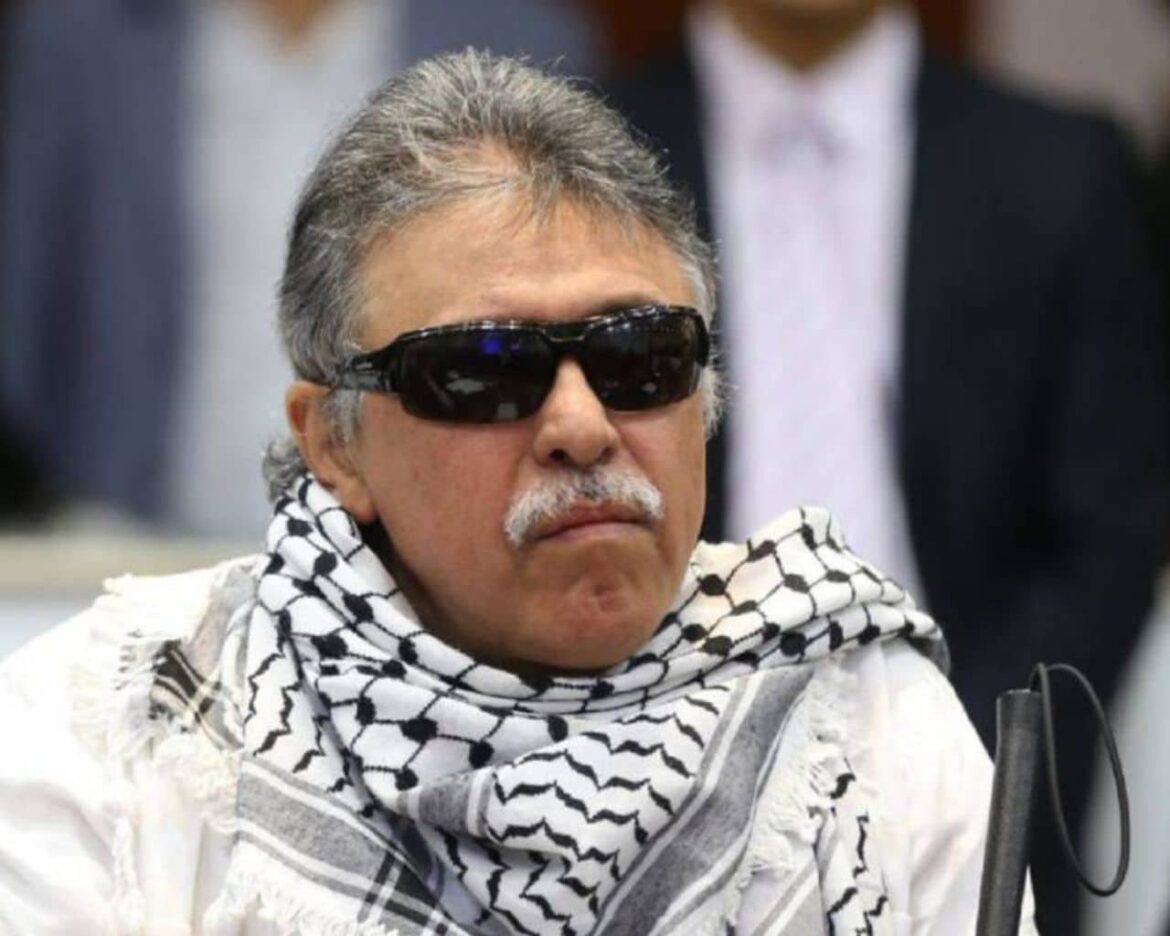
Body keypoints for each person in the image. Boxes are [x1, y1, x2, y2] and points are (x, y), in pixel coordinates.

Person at [0, 51, 1034, 934]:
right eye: (485, 370)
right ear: (334, 444)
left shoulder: (863, 717)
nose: (582, 425)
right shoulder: (110, 737)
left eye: (638, 356)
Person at [606, 2, 1169, 930]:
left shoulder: (1059, 168)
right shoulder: (578, 161)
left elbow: (1108, 535)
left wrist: (941, 765)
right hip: (631, 815)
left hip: (973, 823)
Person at [0, 0, 596, 537]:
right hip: (119, 536)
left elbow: (566, 286)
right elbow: (22, 294)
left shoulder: (516, 32)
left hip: (429, 549)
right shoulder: (80, 36)